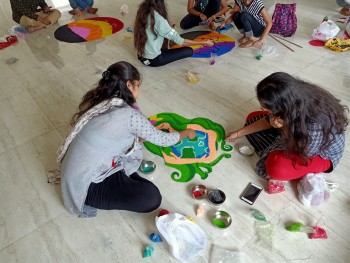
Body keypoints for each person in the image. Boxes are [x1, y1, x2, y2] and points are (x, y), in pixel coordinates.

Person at [59, 61, 196, 217]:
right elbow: (164, 140)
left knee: (134, 157)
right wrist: (186, 133)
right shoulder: (129, 116)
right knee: (152, 197)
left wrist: (148, 133)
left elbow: (120, 135)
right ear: (129, 85)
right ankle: (117, 181)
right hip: (87, 186)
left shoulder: (99, 100)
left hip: (74, 174)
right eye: (137, 86)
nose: (138, 91)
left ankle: (124, 177)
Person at [226, 72, 348, 183]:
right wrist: (238, 133)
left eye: (265, 107)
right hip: (295, 131)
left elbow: (304, 153)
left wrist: (284, 129)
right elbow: (268, 119)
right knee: (252, 118)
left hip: (318, 155)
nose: (262, 109)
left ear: (284, 107)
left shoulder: (313, 126)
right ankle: (274, 149)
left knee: (275, 168)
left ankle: (281, 161)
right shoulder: (295, 99)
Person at [134, 0, 214, 67]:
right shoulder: (160, 21)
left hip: (140, 54)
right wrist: (204, 42)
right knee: (188, 50)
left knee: (167, 39)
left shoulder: (142, 10)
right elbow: (181, 41)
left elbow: (153, 28)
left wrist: (168, 28)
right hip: (153, 60)